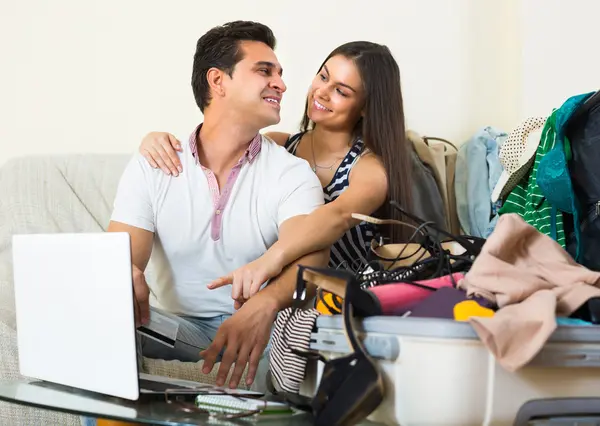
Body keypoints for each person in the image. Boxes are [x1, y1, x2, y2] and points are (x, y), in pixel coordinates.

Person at [107, 20, 329, 394]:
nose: (281, 83)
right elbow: (119, 258)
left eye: (280, 73)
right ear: (218, 81)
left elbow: (311, 257)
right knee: (103, 319)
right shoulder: (155, 163)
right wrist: (120, 276)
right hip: (180, 328)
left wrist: (266, 304)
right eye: (264, 71)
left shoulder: (292, 173)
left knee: (295, 347)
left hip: (266, 328)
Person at [139, 40, 420, 307]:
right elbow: (219, 147)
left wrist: (268, 261)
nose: (322, 92)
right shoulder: (279, 144)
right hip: (277, 298)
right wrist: (156, 141)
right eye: (323, 77)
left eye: (341, 91)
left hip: (341, 308)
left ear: (365, 108)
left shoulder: (369, 169)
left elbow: (336, 217)